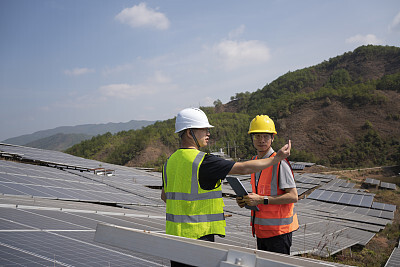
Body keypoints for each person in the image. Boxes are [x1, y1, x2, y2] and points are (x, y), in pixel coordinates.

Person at [161, 108, 291, 267]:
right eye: (204, 130)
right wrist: (276, 158)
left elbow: (165, 196)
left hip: (175, 239)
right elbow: (243, 168)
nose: (208, 133)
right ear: (189, 133)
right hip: (199, 238)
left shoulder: (170, 162)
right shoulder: (203, 161)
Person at [236, 115, 299, 255]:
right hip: (262, 232)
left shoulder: (280, 162)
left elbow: (293, 196)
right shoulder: (254, 162)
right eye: (257, 136)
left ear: (273, 138)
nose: (261, 140)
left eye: (266, 136)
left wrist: (261, 199)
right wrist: (246, 200)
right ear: (252, 138)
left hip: (279, 234)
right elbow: (260, 193)